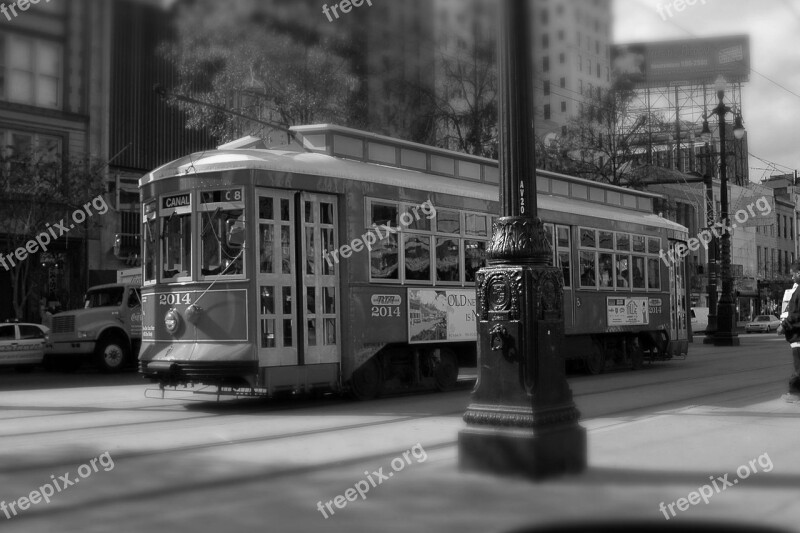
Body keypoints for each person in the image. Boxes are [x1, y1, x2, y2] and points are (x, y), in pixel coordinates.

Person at [778, 262, 800, 402]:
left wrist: (783, 326)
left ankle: (795, 394)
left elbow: (795, 314)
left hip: (797, 335)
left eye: (793, 274)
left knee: (799, 367)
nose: (792, 277)